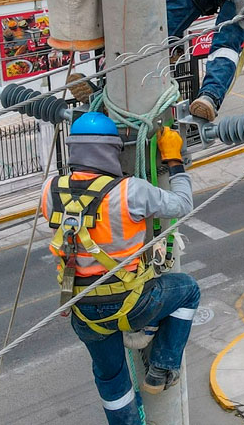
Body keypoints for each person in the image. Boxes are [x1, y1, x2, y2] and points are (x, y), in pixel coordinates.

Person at [39, 111, 200, 425]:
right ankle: (162, 366)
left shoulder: (50, 190)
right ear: (112, 151)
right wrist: (173, 159)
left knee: (110, 378)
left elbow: (71, 246)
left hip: (82, 308)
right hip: (132, 304)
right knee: (187, 291)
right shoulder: (130, 191)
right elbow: (182, 204)